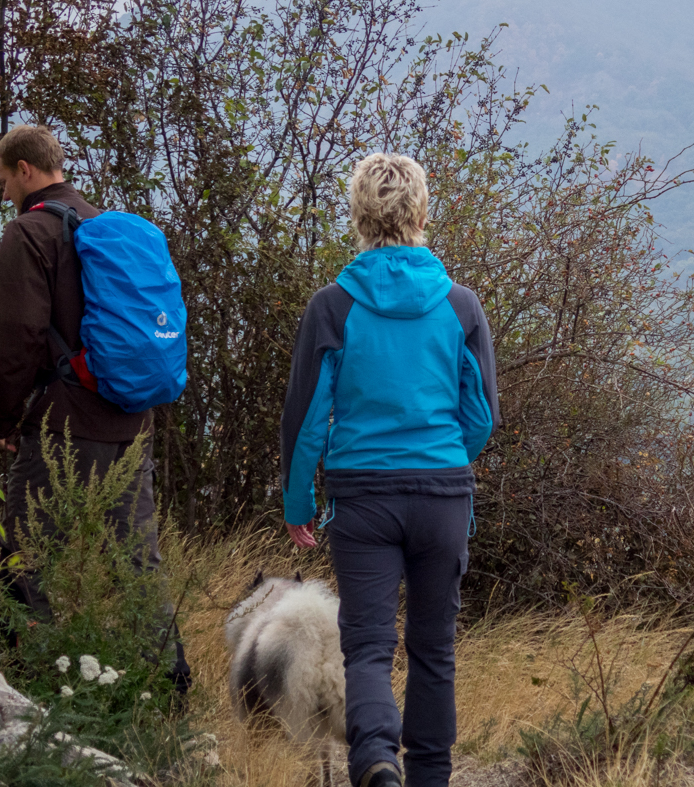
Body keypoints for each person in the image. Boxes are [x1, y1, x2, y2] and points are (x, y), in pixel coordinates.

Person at [280, 152, 500, 787]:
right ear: (420, 211)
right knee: (435, 650)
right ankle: (431, 778)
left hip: (362, 499)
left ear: (359, 214)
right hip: (442, 497)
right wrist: (443, 463)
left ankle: (376, 760)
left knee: (368, 646)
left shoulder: (333, 306)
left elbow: (306, 421)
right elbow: (481, 414)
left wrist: (299, 504)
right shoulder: (461, 306)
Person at [0, 124, 190, 692]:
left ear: (25, 170)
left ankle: (32, 684)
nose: (4, 191)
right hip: (131, 421)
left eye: (4, 179)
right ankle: (171, 686)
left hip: (63, 426)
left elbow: (19, 336)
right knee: (138, 562)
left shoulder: (29, 233)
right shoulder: (103, 228)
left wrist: (4, 421)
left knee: (23, 555)